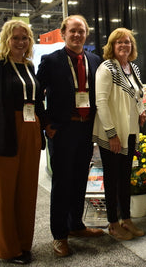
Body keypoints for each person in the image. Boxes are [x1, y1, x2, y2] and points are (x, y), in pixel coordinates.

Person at [0, 20, 45, 264]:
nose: (20, 42)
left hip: (30, 132)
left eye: (24, 38)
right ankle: (8, 249)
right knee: (3, 195)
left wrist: (44, 129)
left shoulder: (29, 66)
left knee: (26, 192)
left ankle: (24, 244)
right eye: (15, 38)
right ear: (6, 39)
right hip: (3, 133)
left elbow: (36, 102)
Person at [36, 15, 104, 257]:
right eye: (73, 31)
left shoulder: (95, 60)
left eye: (81, 31)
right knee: (62, 183)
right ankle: (59, 235)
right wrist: (46, 124)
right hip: (62, 130)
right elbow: (35, 94)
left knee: (79, 180)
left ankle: (76, 225)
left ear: (87, 34)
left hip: (86, 129)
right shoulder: (51, 61)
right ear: (63, 33)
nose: (77, 35)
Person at [92, 28, 146, 240]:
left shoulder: (133, 68)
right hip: (112, 135)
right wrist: (111, 134)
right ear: (112, 46)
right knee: (113, 178)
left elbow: (138, 94)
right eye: (119, 42)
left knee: (124, 178)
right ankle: (113, 224)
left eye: (127, 42)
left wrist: (142, 110)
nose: (124, 45)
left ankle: (127, 219)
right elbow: (101, 103)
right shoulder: (106, 68)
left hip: (130, 132)